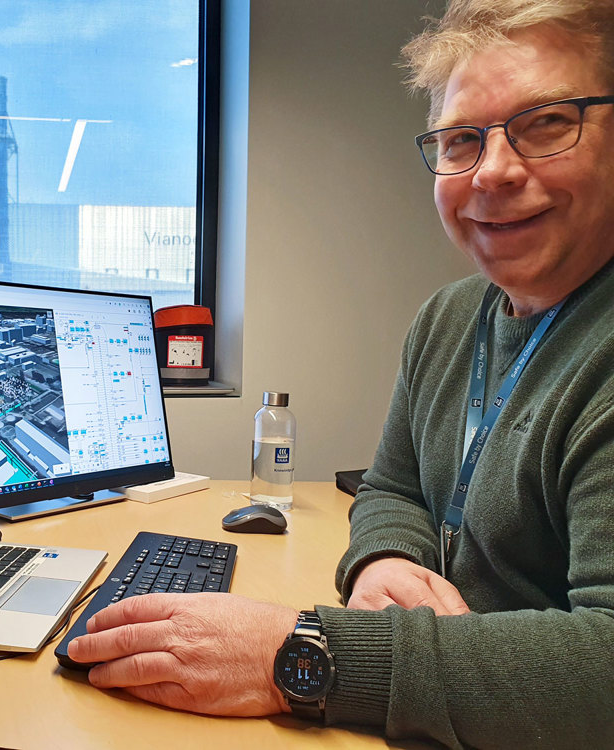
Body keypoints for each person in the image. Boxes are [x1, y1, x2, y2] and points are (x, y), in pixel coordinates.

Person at [66, 1, 614, 747]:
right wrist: (386, 557)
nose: (494, 171)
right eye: (461, 141)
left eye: (547, 123)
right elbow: (392, 486)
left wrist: (303, 652)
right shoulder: (449, 319)